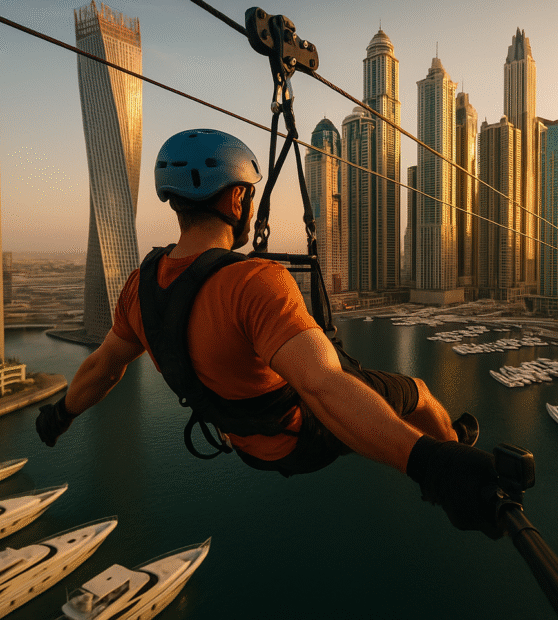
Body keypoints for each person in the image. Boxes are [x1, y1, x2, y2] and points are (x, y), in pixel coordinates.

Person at [36, 129, 504, 538]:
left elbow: (102, 368)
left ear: (175, 202)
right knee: (418, 393)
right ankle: (452, 447)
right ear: (237, 199)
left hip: (247, 444)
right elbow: (322, 385)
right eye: (251, 195)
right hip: (301, 436)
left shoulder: (140, 287)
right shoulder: (253, 282)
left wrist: (60, 414)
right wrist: (431, 467)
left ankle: (443, 450)